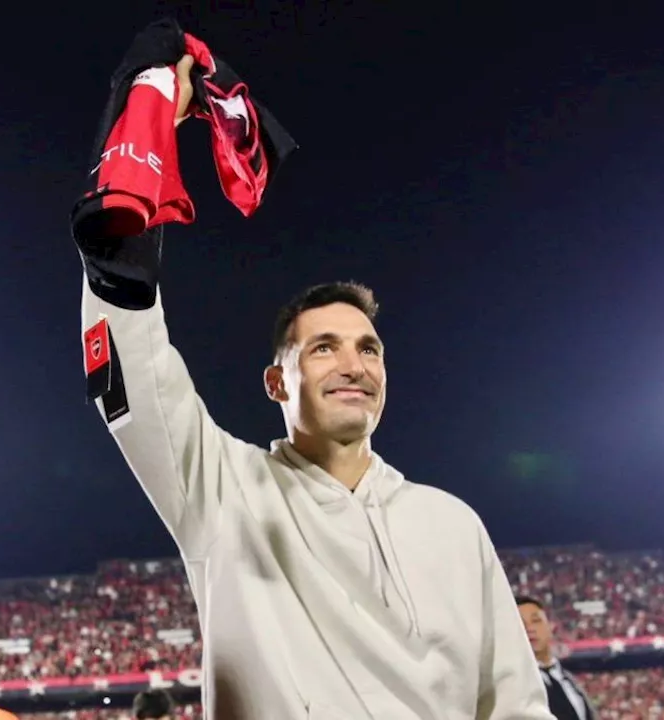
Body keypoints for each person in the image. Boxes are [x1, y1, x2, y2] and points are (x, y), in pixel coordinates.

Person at [75, 53, 551, 720]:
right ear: (277, 382)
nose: (352, 364)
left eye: (368, 349)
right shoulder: (224, 492)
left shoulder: (453, 523)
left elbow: (516, 703)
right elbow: (134, 373)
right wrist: (137, 165)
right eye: (323, 348)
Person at [516, 597, 596, 720]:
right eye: (521, 624)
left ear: (551, 627)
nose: (529, 629)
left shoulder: (569, 681)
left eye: (536, 620)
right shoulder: (515, 684)